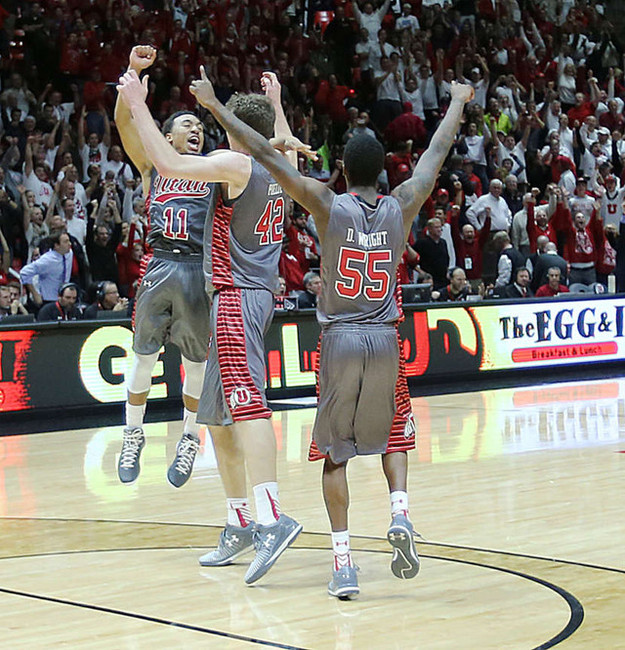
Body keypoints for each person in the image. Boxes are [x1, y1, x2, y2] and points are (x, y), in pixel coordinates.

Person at [141, 67, 473, 598]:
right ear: (386, 169)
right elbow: (435, 153)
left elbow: (263, 155)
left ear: (340, 167)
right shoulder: (405, 201)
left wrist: (215, 105)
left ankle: (341, 563)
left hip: (340, 337)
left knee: (334, 456)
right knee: (393, 435)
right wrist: (456, 100)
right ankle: (400, 510)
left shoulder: (326, 201)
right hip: (386, 336)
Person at [117, 67, 304, 585]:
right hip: (251, 293)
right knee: (218, 420)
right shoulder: (281, 165)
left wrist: (136, 103)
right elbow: (281, 142)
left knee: (247, 408)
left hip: (237, 294)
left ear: (231, 135)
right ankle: (239, 521)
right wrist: (279, 101)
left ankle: (272, 519)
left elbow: (171, 161)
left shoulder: (237, 164)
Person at [114, 45, 215, 489]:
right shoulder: (154, 167)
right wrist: (134, 71)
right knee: (142, 360)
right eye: (187, 124)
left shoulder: (215, 170)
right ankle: (132, 431)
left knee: (195, 368)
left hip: (198, 269)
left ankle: (190, 438)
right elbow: (123, 121)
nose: (196, 130)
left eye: (199, 126)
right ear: (169, 137)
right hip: (159, 267)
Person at [19, 231, 73, 307]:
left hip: (64, 298)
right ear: (56, 246)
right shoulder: (47, 260)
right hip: (49, 299)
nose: (70, 244)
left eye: (69, 241)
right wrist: (35, 294)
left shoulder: (69, 253)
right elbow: (24, 273)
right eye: (66, 242)